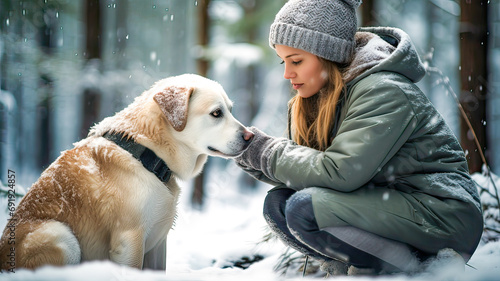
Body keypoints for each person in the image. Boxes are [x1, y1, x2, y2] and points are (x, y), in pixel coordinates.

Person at [234, 0, 483, 276]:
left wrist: (268, 152)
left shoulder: (384, 90)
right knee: (279, 204)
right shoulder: (326, 96)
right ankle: (354, 269)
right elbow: (312, 171)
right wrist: (248, 152)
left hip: (442, 215)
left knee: (304, 209)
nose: (287, 73)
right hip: (390, 204)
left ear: (327, 53)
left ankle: (418, 270)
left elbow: (340, 172)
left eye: (297, 61)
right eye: (283, 61)